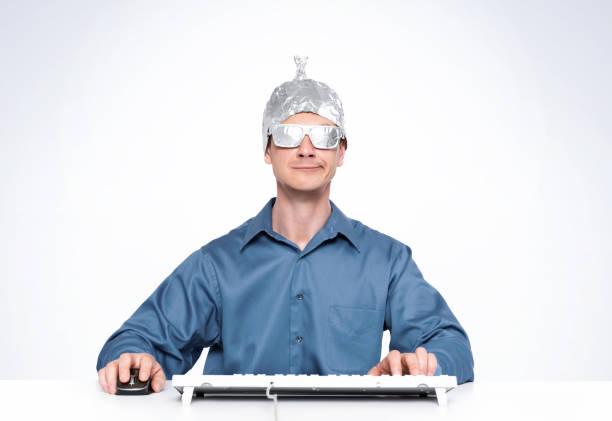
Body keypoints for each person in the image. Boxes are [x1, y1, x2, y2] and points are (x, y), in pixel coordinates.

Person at [96, 56, 475, 394]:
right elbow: (134, 341)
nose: (307, 149)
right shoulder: (216, 265)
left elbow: (451, 344)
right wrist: (134, 358)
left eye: (324, 136)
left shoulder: (387, 261)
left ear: (341, 152)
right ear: (267, 150)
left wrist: (425, 365)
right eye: (289, 135)